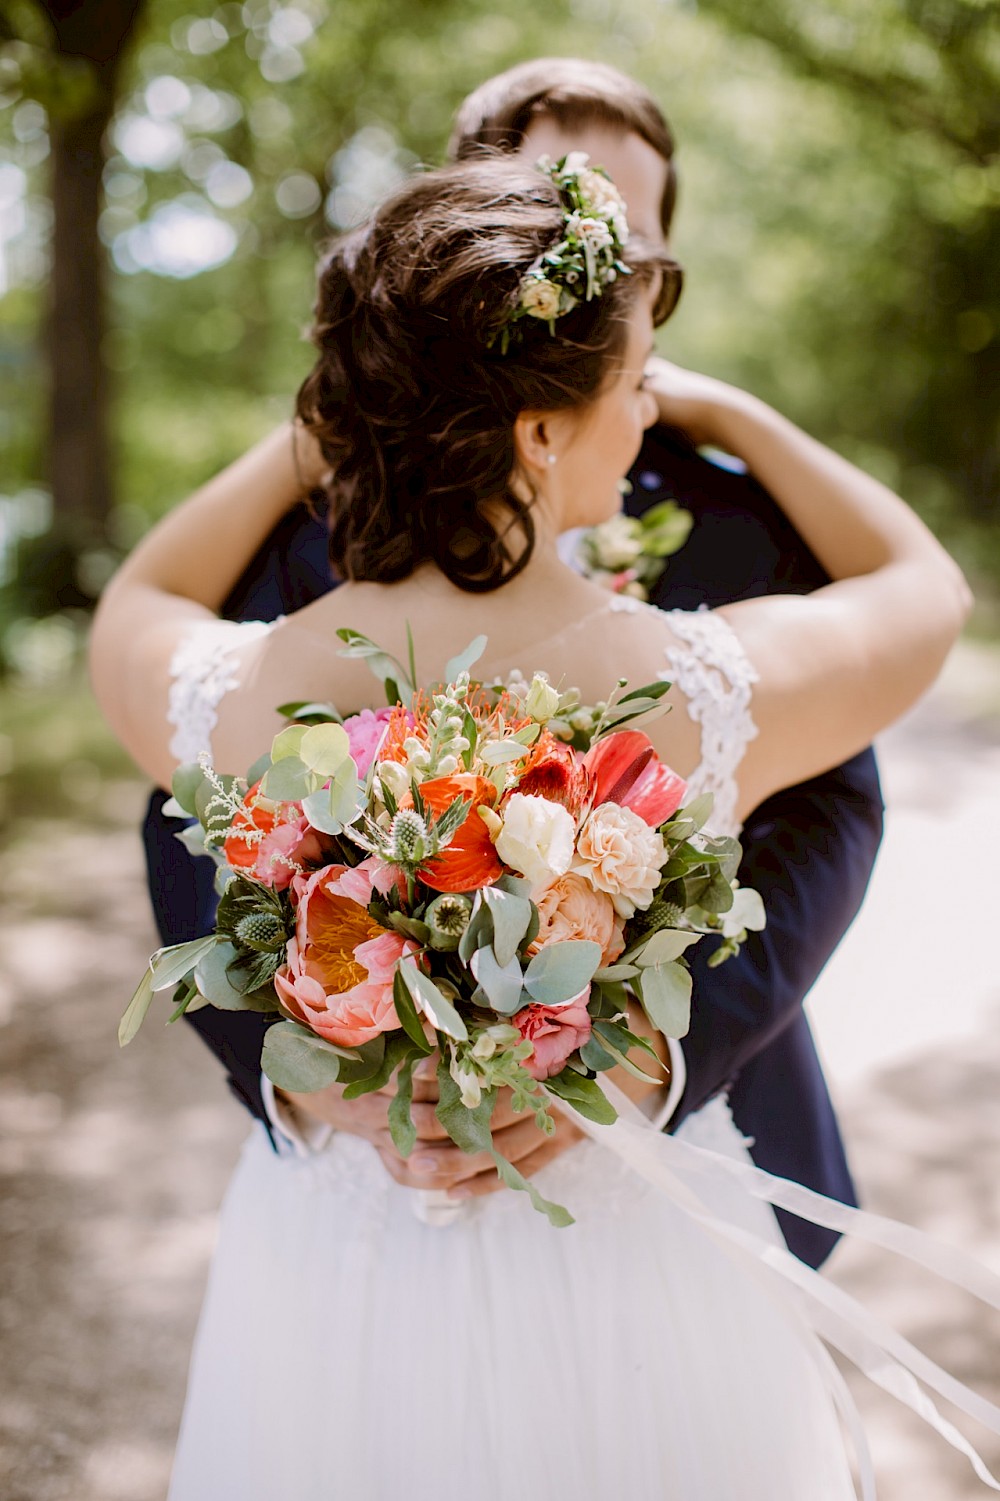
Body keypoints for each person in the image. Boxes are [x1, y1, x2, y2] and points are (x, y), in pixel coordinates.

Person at [92, 152, 974, 1498]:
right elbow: (924, 584)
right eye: (634, 386)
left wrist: (340, 424)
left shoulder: (243, 691)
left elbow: (139, 597)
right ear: (543, 431)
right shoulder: (697, 690)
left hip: (342, 1266)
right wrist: (747, 414)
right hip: (631, 1262)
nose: (649, 415)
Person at [141, 58, 880, 1269]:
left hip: (699, 1128)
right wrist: (311, 1079)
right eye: (549, 202)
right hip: (369, 1163)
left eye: (627, 231)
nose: (590, 253)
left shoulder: (734, 514)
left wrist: (658, 1056)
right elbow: (189, 814)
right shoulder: (325, 527)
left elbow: (837, 804)